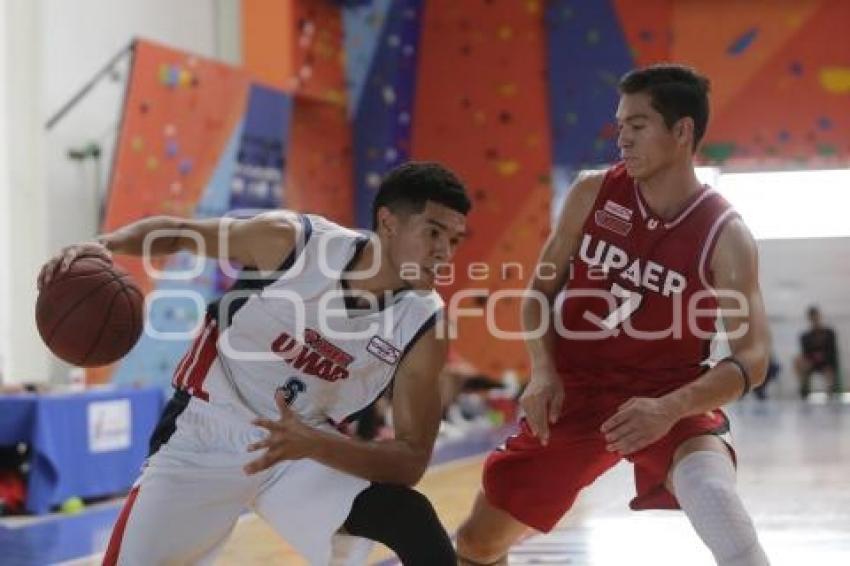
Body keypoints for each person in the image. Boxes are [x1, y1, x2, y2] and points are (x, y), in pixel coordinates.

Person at [38, 161, 469, 565]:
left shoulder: (425, 323)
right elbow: (177, 232)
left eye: (453, 240)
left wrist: (313, 444)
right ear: (388, 222)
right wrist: (102, 245)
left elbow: (411, 461)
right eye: (433, 233)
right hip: (205, 429)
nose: (445, 252)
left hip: (301, 443)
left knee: (408, 518)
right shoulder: (292, 242)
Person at [457, 64, 771, 566]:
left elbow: (753, 359)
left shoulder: (725, 234)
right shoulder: (593, 191)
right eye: (620, 124)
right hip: (575, 392)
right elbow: (539, 291)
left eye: (638, 125)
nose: (621, 137)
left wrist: (671, 407)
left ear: (682, 130)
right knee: (476, 543)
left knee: (715, 500)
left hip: (667, 395)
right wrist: (542, 370)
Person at [794, 306, 840, 398]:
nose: (815, 320)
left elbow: (833, 351)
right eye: (812, 318)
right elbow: (805, 353)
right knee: (797, 360)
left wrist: (825, 359)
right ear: (809, 319)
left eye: (816, 317)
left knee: (829, 370)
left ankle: (830, 392)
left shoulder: (829, 333)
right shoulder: (805, 336)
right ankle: (804, 389)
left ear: (819, 317)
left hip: (827, 362)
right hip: (812, 362)